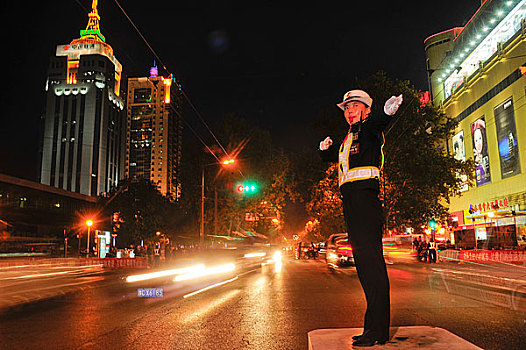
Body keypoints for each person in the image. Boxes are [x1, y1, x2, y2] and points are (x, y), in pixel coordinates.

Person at [319, 89, 403, 347]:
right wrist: (325, 151)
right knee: (365, 268)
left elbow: (380, 122)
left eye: (355, 106)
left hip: (366, 200)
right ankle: (372, 327)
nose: (349, 111)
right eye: (346, 108)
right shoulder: (348, 137)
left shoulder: (368, 129)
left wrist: (388, 112)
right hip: (352, 203)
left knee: (372, 266)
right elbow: (336, 159)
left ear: (366, 109)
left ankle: (378, 331)